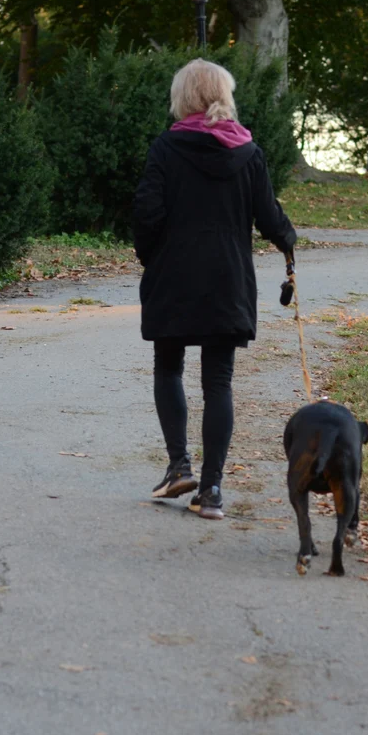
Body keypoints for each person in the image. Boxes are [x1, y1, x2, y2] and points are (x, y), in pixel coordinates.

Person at [133, 59, 297, 520]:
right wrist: (288, 243)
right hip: (228, 279)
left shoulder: (166, 148)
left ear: (183, 96)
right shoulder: (249, 152)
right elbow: (268, 216)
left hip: (174, 275)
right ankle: (212, 490)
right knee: (218, 379)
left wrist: (152, 258)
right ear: (223, 95)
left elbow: (146, 213)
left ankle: (178, 464)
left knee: (168, 366)